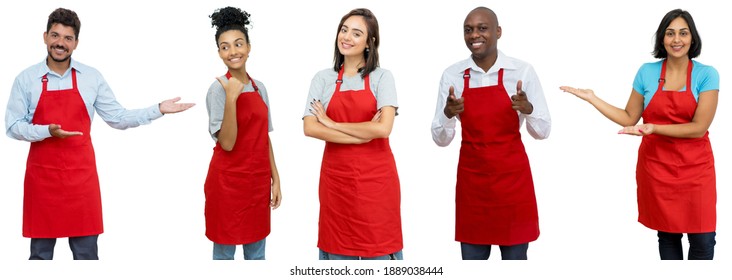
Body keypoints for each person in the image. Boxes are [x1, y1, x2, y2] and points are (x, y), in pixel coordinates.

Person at [4, 8, 194, 260]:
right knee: (40, 256)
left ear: (76, 43)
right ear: (45, 37)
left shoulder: (91, 78)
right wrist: (46, 131)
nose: (60, 43)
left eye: (67, 38)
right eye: (55, 35)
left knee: (86, 255)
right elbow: (12, 126)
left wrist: (157, 109)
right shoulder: (26, 79)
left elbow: (117, 118)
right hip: (43, 181)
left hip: (80, 181)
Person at [560, 9, 718, 260]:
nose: (677, 40)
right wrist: (593, 99)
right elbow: (629, 117)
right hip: (657, 166)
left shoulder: (707, 74)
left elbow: (699, 127)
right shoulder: (647, 72)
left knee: (703, 238)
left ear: (692, 38)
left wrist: (655, 128)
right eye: (670, 33)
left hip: (696, 168)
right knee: (667, 235)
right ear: (662, 39)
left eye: (683, 33)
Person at [431, 7, 551, 260]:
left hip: (513, 184)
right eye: (468, 29)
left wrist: (528, 109)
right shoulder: (452, 75)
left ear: (498, 32)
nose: (475, 34)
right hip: (473, 185)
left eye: (482, 28)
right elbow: (441, 139)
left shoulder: (522, 72)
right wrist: (448, 113)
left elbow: (543, 132)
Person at [303, 8, 403, 260]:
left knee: (379, 249)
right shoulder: (323, 79)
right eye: (344, 29)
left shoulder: (382, 78)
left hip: (377, 184)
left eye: (356, 33)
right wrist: (364, 133)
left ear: (370, 43)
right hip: (337, 185)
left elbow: (383, 128)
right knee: (337, 251)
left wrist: (332, 124)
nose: (346, 37)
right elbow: (311, 128)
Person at [204, 6, 282, 260]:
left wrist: (276, 178)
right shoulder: (218, 91)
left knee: (257, 254)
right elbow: (227, 143)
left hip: (256, 183)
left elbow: (264, 137)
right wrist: (230, 99)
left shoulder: (261, 88)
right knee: (224, 254)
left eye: (238, 44)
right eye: (225, 47)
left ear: (249, 47)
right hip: (227, 185)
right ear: (219, 53)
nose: (233, 51)